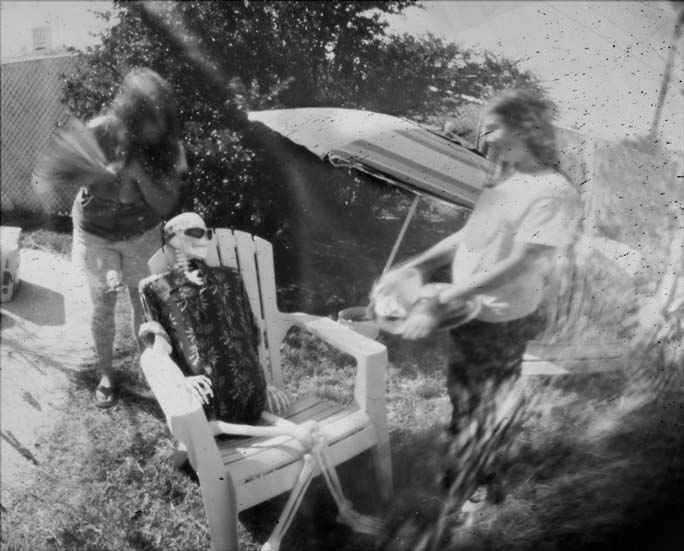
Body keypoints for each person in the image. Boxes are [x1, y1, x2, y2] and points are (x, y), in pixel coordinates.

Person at [386, 89, 581, 533]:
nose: (485, 136)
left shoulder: (553, 191)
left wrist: (447, 297)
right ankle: (477, 485)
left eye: (492, 126)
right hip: (473, 312)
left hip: (503, 319)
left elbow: (526, 261)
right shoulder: (505, 183)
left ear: (524, 128)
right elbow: (468, 237)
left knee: (483, 409)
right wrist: (419, 263)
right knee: (463, 402)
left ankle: (475, 495)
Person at [138, 213, 383, 547]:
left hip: (252, 399)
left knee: (312, 442)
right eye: (196, 232)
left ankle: (311, 524)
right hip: (210, 416)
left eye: (208, 231)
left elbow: (248, 332)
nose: (206, 237)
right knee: (312, 441)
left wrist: (264, 382)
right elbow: (160, 342)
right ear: (173, 239)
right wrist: (180, 380)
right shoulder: (156, 287)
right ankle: (290, 533)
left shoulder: (229, 278)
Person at [68, 68, 188, 407]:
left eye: (164, 117)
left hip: (141, 233)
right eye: (151, 118)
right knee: (103, 305)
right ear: (132, 116)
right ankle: (107, 375)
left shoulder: (170, 147)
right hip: (96, 235)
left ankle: (149, 370)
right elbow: (67, 172)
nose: (160, 126)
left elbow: (167, 202)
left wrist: (139, 177)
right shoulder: (99, 130)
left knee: (143, 302)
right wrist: (102, 172)